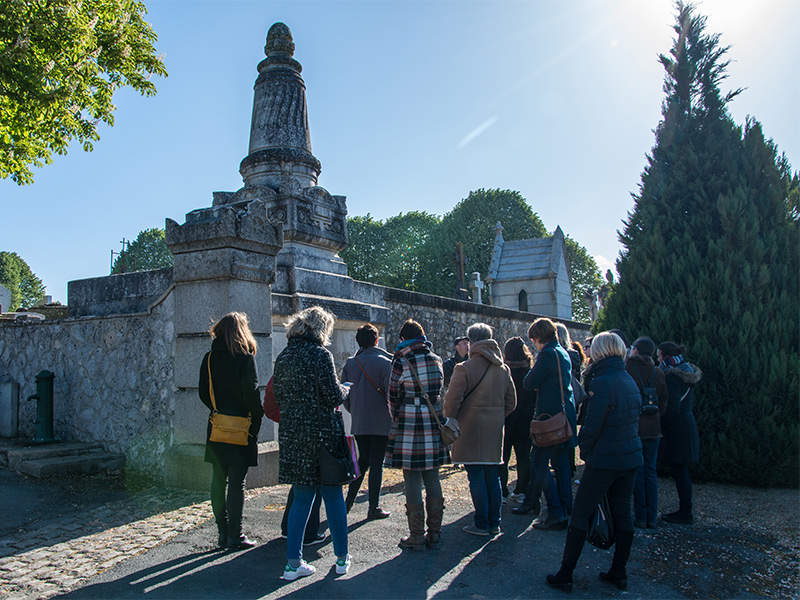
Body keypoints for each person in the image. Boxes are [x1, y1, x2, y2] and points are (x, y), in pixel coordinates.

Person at [546, 332, 643, 593]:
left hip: (606, 457)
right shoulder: (627, 379)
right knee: (623, 513)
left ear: (598, 352)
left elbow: (592, 425)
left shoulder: (602, 382)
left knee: (581, 513)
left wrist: (586, 452)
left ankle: (566, 573)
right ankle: (618, 571)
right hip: (629, 455)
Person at [273, 306, 351, 580]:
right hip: (322, 434)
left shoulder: (284, 357)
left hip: (294, 435)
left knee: (301, 497)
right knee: (332, 495)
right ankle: (342, 559)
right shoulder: (321, 355)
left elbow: (279, 396)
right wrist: (346, 388)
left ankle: (293, 563)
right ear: (321, 329)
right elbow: (332, 395)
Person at [198, 312, 263, 550]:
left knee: (218, 480)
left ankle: (223, 533)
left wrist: (219, 410)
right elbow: (252, 393)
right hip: (241, 427)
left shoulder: (209, 358)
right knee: (237, 482)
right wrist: (256, 417)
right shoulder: (245, 358)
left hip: (217, 426)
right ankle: (236, 534)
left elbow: (204, 393)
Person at [444, 323, 516, 536]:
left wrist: (453, 419)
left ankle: (481, 522)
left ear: (471, 342)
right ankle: (495, 522)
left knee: (475, 475)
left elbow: (451, 403)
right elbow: (511, 402)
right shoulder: (503, 369)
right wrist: (495, 417)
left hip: (470, 429)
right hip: (494, 430)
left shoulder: (463, 368)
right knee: (492, 474)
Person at [384, 319, 449, 550]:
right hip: (433, 421)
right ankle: (435, 533)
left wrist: (397, 417)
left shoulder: (401, 360)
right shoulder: (437, 359)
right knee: (432, 476)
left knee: (411, 478)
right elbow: (439, 392)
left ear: (403, 339)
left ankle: (417, 536)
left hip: (409, 422)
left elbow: (392, 395)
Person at [515, 318, 577, 530]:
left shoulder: (547, 354)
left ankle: (556, 511)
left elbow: (529, 382)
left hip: (550, 417)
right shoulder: (562, 352)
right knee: (561, 465)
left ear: (539, 336)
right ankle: (566, 508)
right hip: (565, 414)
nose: (534, 344)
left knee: (539, 463)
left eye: (534, 339)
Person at [342, 323, 394, 519]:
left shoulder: (350, 363)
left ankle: (348, 502)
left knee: (362, 461)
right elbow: (391, 394)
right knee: (376, 463)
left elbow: (345, 396)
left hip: (360, 420)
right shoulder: (385, 363)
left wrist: (356, 410)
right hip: (382, 420)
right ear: (376, 340)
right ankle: (374, 506)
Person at [657, 341, 702, 524]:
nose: (657, 360)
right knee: (681, 469)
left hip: (677, 428)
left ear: (666, 357)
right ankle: (685, 510)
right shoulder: (687, 372)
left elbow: (672, 408)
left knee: (680, 470)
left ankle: (685, 512)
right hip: (686, 423)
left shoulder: (672, 376)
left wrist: (661, 423)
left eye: (659, 357)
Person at [626, 337, 668, 529]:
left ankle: (640, 515)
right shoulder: (658, 372)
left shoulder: (628, 370)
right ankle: (652, 516)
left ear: (635, 350)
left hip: (634, 427)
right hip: (653, 428)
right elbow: (664, 402)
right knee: (650, 471)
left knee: (637, 472)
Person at [500, 337, 537, 505]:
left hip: (507, 417)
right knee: (523, 456)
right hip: (525, 417)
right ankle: (521, 490)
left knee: (503, 456)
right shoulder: (529, 370)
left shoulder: (503, 371)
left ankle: (502, 490)